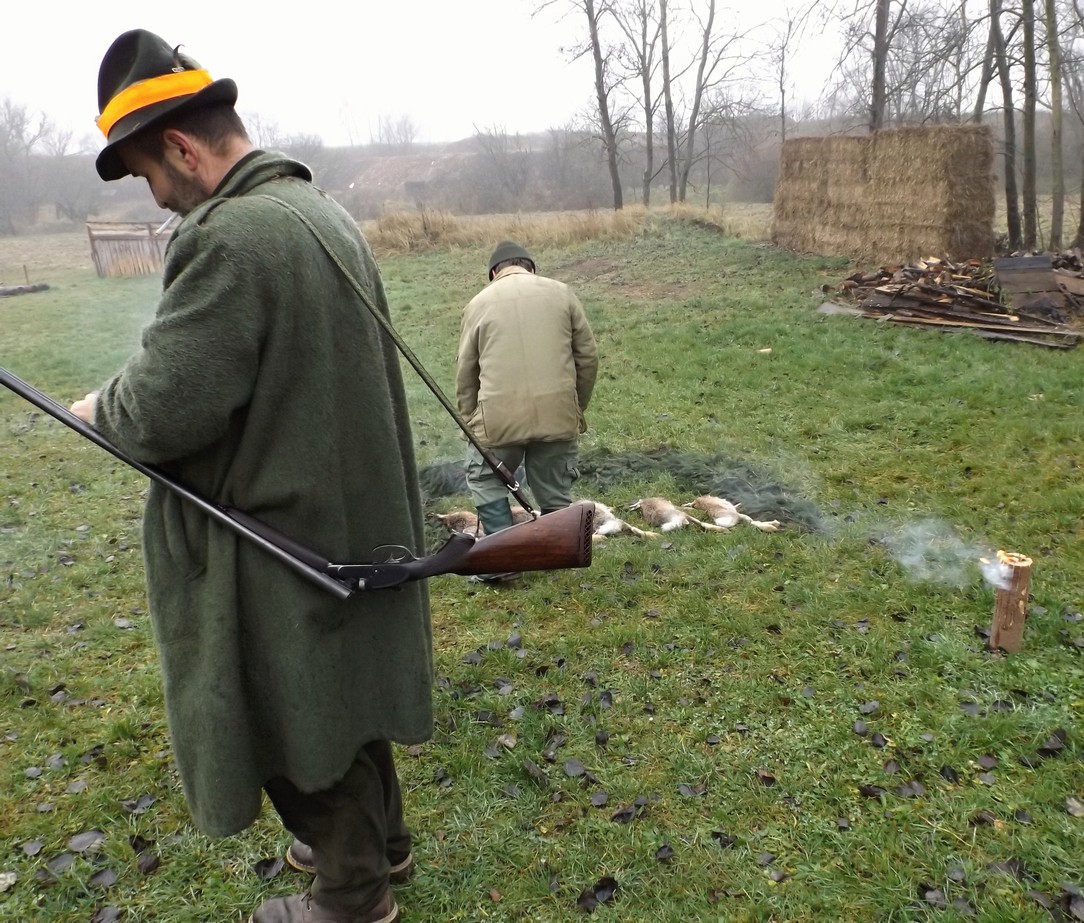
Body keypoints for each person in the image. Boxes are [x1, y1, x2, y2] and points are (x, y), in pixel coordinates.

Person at [70, 29, 431, 923]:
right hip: (349, 507)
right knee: (348, 686)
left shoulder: (229, 237)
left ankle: (353, 893)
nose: (157, 198)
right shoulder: (317, 207)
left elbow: (163, 408)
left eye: (148, 175)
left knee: (292, 708)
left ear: (183, 147)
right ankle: (382, 840)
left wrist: (99, 409)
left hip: (281, 531)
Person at [455, 241, 598, 579]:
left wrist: (469, 420)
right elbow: (588, 358)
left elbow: (466, 370)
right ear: (531, 267)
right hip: (557, 413)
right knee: (554, 485)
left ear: (494, 272)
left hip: (498, 419)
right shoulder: (562, 294)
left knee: (486, 478)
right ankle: (558, 555)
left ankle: (504, 562)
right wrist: (575, 407)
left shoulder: (478, 303)